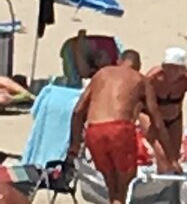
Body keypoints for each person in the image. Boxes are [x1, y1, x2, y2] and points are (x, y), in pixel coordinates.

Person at [68, 50, 176, 204]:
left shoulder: (101, 74)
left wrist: (74, 143)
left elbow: (78, 111)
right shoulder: (140, 79)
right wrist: (172, 158)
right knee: (125, 183)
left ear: (119, 61)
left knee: (112, 187)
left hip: (94, 129)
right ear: (138, 66)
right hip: (120, 129)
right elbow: (157, 120)